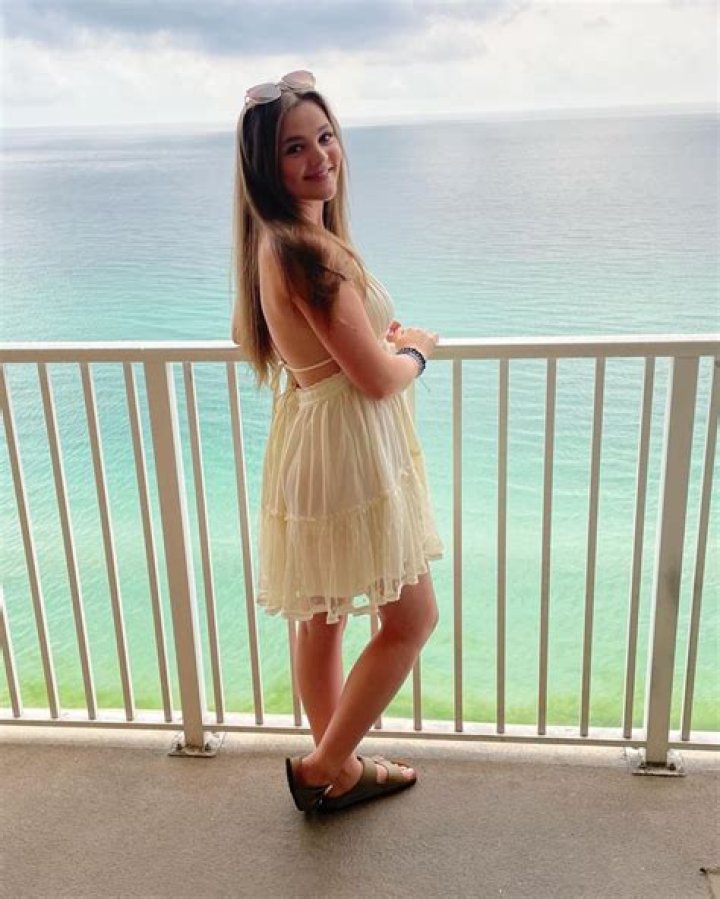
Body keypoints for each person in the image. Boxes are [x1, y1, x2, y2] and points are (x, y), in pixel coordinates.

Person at [231, 70, 444, 814]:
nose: (320, 156)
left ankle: (342, 766)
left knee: (320, 622)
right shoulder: (305, 250)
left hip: (314, 438)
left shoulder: (276, 242)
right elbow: (378, 380)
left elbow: (332, 354)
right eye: (295, 147)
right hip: (347, 448)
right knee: (411, 619)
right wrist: (414, 351)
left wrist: (376, 348)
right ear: (267, 164)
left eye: (325, 137)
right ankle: (323, 764)